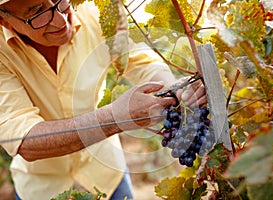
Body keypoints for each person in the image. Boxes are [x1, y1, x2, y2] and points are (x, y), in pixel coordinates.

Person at [0, 0, 207, 199]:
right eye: (38, 13)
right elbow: (24, 138)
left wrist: (173, 89)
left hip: (108, 175)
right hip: (41, 190)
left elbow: (140, 60)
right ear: (5, 21)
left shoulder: (99, 12)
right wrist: (113, 118)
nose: (61, 20)